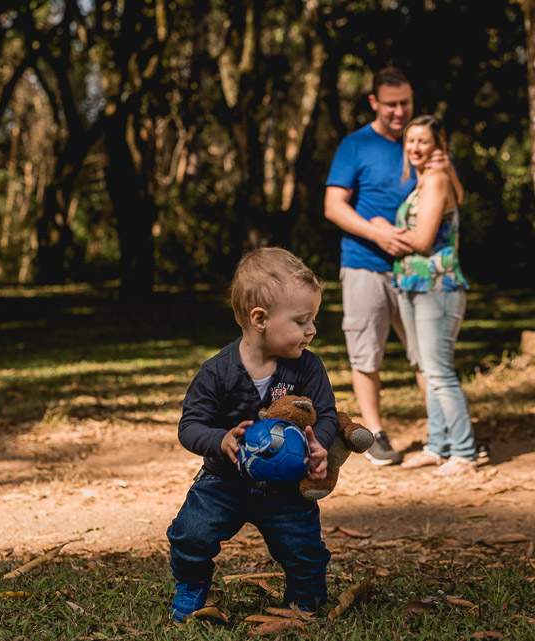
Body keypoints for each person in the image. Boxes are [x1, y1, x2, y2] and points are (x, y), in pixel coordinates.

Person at [166, 248, 335, 621]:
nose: (312, 330)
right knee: (190, 533)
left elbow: (325, 415)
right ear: (260, 319)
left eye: (313, 320)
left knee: (304, 547)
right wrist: (220, 440)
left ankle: (305, 598)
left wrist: (317, 442)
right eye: (302, 320)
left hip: (287, 486)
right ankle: (192, 585)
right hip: (224, 481)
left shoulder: (308, 368)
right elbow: (190, 426)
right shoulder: (216, 372)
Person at [324, 66, 462, 466]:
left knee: (426, 357)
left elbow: (453, 199)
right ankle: (376, 435)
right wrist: (377, 234)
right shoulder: (355, 145)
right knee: (366, 353)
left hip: (418, 270)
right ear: (374, 103)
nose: (399, 111)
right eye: (390, 104)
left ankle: (445, 437)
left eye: (405, 103)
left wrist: (446, 164)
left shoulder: (422, 143)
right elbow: (334, 206)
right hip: (365, 263)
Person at [384, 115, 477, 476]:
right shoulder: (422, 182)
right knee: (426, 368)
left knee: (439, 372)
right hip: (412, 285)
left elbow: (423, 241)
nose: (414, 148)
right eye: (410, 141)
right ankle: (438, 446)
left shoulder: (437, 179)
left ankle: (464, 453)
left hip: (437, 287)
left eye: (423, 141)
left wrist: (382, 232)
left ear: (439, 145)